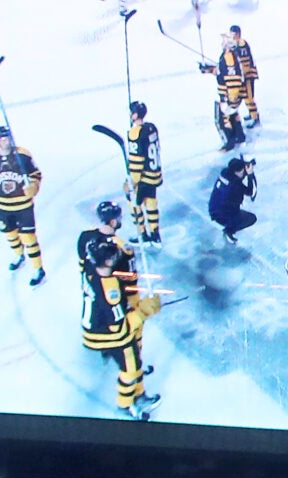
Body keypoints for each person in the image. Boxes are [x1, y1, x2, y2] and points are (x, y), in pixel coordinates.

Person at [78, 201, 156, 419]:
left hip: (93, 319)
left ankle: (130, 369)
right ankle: (127, 403)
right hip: (111, 327)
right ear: (114, 220)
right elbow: (121, 321)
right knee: (131, 359)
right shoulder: (121, 252)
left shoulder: (85, 241)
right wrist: (142, 311)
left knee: (129, 357)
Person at [0, 126, 47, 284]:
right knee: (10, 234)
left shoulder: (22, 155)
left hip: (23, 206)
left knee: (28, 237)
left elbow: (36, 174)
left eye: (8, 138)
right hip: (2, 206)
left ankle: (38, 269)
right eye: (3, 139)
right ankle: (19, 255)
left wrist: (34, 185)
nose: (6, 141)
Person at [125, 99, 163, 241]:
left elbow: (137, 160)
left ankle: (142, 234)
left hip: (143, 177)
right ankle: (155, 234)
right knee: (151, 202)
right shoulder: (151, 128)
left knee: (133, 201)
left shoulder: (135, 133)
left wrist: (132, 182)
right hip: (154, 174)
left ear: (135, 115)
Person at [208, 155, 259, 244]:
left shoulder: (224, 172)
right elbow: (252, 193)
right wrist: (250, 175)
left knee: (229, 205)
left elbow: (237, 177)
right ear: (238, 171)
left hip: (213, 208)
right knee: (252, 218)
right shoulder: (235, 186)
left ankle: (230, 222)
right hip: (223, 215)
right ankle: (229, 230)